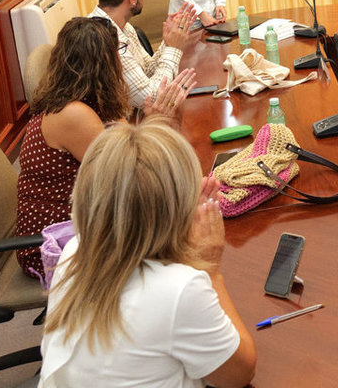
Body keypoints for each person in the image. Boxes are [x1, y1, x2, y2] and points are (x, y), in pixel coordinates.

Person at [39, 120, 256, 387]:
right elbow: (238, 375)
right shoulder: (179, 290)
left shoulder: (74, 250)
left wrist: (178, 230)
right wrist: (211, 270)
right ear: (175, 209)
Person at [15, 17, 194, 280]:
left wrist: (150, 123)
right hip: (56, 243)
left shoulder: (91, 100)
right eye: (118, 52)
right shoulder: (72, 114)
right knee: (172, 225)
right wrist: (158, 123)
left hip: (89, 218)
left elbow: (127, 150)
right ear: (104, 63)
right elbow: (128, 175)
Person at [91, 0, 198, 107]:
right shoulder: (106, 38)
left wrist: (168, 41)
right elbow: (151, 98)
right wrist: (174, 48)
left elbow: (147, 71)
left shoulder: (124, 27)